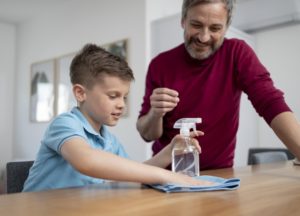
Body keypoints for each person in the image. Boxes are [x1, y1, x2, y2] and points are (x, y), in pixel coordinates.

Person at [23, 44, 211, 192]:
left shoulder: (109, 141)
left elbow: (134, 172)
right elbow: (86, 160)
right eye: (113, 96)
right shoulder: (64, 124)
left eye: (124, 96)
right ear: (80, 93)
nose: (122, 104)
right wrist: (167, 176)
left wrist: (170, 150)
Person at [136, 0, 300, 170]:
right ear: (183, 21)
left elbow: (269, 101)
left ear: (226, 27)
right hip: (165, 174)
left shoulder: (236, 53)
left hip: (220, 176)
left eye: (215, 28)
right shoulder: (160, 64)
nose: (203, 37)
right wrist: (155, 113)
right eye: (196, 25)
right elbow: (147, 134)